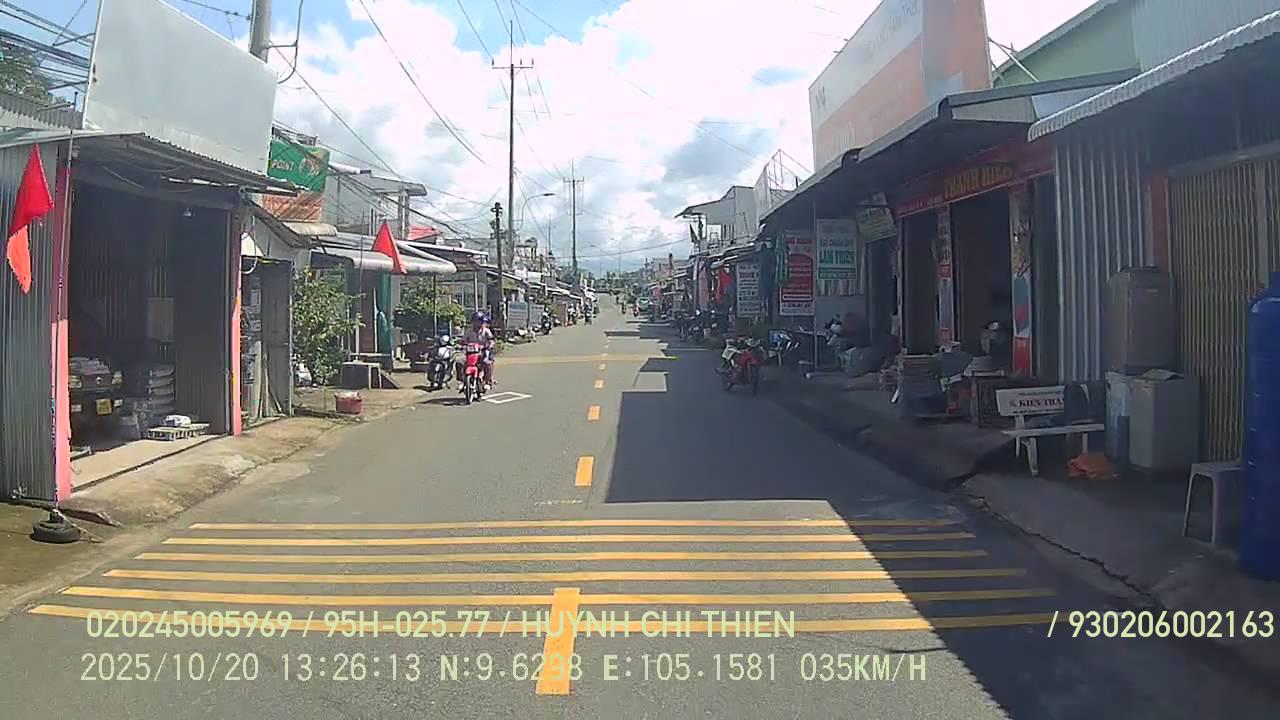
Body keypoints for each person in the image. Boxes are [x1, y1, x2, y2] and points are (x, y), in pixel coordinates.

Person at [458, 311, 495, 390]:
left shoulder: (486, 331)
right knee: (460, 362)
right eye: (476, 321)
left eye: (480, 321)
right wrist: (462, 345)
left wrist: (489, 345)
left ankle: (487, 381)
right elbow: (463, 341)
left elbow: (491, 340)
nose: (478, 323)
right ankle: (462, 381)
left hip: (483, 352)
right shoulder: (469, 331)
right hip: (470, 353)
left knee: (487, 363)